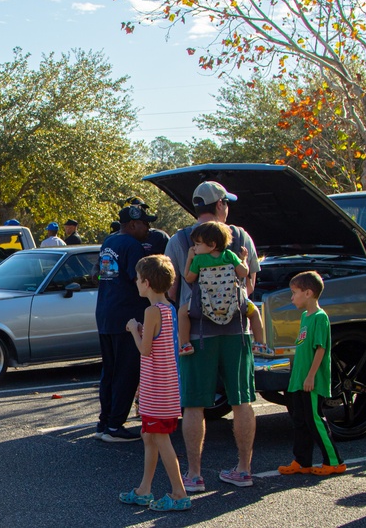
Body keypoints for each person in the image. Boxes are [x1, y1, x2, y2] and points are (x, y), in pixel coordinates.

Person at [164, 180, 259, 491]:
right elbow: (251, 287)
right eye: (226, 203)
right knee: (242, 400)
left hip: (197, 332)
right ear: (220, 205)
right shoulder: (241, 237)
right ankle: (243, 469)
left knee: (194, 404)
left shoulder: (180, 241)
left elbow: (173, 290)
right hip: (237, 331)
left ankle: (193, 474)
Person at [119, 255, 191, 512]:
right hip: (165, 387)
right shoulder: (169, 308)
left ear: (146, 282)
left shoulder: (151, 311)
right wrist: (142, 330)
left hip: (157, 390)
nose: (136, 283)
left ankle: (179, 492)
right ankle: (144, 489)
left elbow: (146, 350)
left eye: (138, 279)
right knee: (148, 436)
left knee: (160, 439)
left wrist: (133, 329)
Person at [93, 203, 157, 442]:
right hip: (126, 316)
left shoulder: (109, 242)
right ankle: (115, 426)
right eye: (144, 223)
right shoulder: (133, 245)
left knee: (109, 371)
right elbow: (139, 279)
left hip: (106, 313)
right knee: (126, 372)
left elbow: (101, 274)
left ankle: (104, 422)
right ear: (132, 224)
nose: (148, 228)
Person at [277, 271, 346, 477]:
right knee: (300, 421)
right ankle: (302, 461)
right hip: (299, 380)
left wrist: (311, 376)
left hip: (311, 381)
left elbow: (320, 349)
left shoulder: (319, 317)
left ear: (308, 293)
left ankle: (334, 461)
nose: (292, 297)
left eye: (295, 292)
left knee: (315, 419)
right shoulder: (305, 317)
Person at [178, 221, 249, 357]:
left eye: (198, 244)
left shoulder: (199, 260)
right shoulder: (229, 255)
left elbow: (188, 278)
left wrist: (189, 259)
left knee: (182, 312)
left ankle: (185, 344)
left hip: (205, 303)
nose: (195, 248)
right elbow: (244, 273)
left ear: (212, 245)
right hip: (231, 303)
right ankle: (259, 343)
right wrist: (244, 259)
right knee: (255, 312)